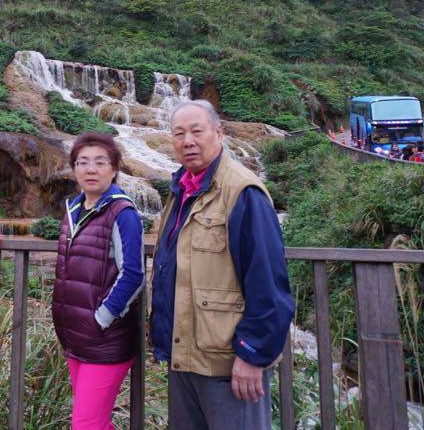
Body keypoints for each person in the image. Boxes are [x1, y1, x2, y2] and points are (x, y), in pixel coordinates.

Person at [150, 100, 294, 430]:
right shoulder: (181, 189)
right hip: (185, 359)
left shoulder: (242, 192)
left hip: (229, 366)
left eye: (196, 131)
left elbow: (267, 281)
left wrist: (252, 354)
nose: (188, 141)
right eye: (179, 134)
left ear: (219, 133)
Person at [51, 132, 145, 429]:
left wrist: (102, 318)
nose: (90, 169)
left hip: (104, 339)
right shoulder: (73, 210)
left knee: (85, 424)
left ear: (114, 168)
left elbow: (133, 274)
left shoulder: (122, 213)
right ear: (74, 168)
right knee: (94, 422)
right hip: (75, 337)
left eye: (100, 162)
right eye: (83, 162)